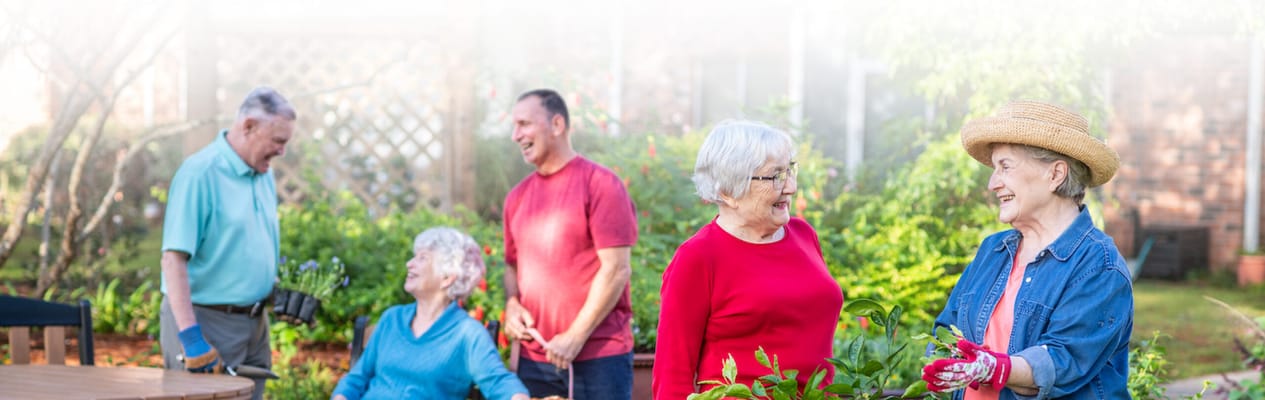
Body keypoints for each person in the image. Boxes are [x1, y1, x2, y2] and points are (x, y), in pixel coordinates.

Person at [920, 100, 1132, 399]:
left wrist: (996, 369)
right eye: (995, 169)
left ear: (1055, 175)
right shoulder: (993, 250)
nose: (993, 183)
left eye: (1005, 166)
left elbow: (1065, 360)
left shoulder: (1098, 266)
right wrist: (942, 359)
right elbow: (947, 330)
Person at [652, 120, 844, 398]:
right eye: (775, 176)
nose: (790, 187)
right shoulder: (697, 258)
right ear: (728, 191)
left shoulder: (804, 235)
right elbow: (672, 376)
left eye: (789, 170)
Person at [157, 87, 295, 399]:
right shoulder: (199, 174)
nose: (282, 151)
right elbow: (173, 260)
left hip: (254, 325)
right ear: (248, 127)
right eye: (278, 141)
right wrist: (191, 337)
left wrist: (277, 292)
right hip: (205, 322)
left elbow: (243, 247)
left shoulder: (263, 175)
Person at [501, 88, 639, 399]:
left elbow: (616, 270)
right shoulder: (516, 197)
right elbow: (512, 265)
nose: (515, 135)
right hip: (535, 360)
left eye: (524, 124)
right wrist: (512, 304)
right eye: (514, 126)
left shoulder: (601, 184)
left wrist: (576, 336)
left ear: (557, 124)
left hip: (599, 356)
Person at [331, 227, 530, 400]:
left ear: (447, 278)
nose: (410, 263)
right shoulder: (392, 319)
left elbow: (498, 381)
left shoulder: (467, 334)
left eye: (422, 258)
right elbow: (357, 378)